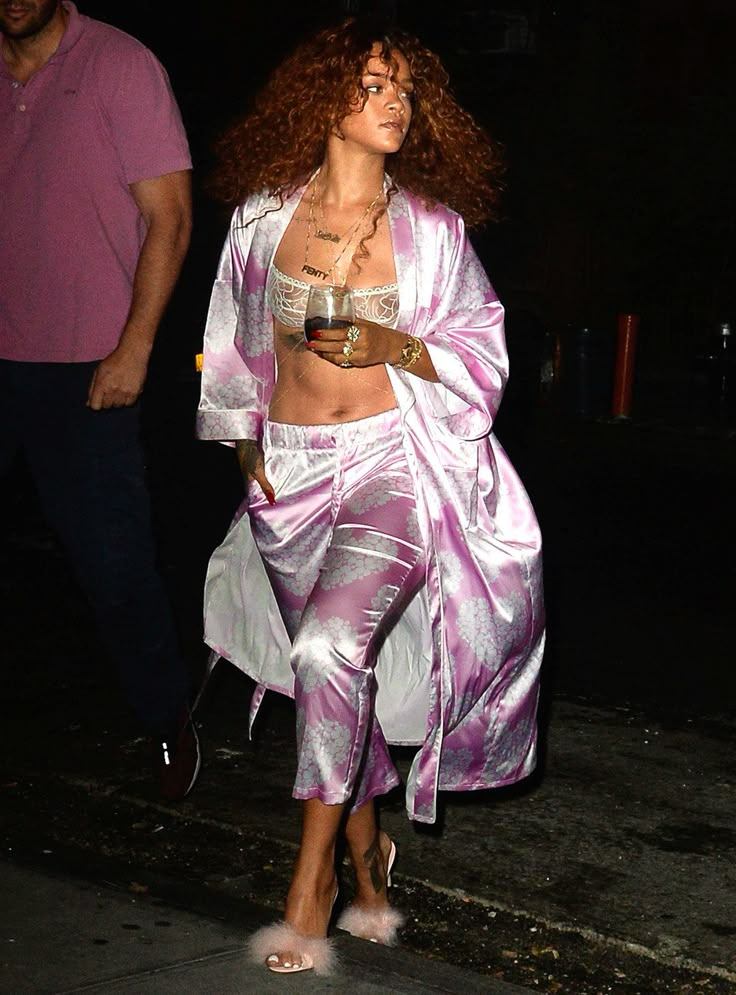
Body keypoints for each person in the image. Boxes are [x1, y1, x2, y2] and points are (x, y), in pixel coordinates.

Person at [196, 15, 545, 975]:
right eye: (375, 86)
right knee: (329, 680)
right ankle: (369, 860)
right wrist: (241, 446)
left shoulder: (432, 229)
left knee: (326, 645)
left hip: (392, 468)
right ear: (324, 100)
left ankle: (305, 889)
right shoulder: (264, 216)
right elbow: (230, 341)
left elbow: (481, 352)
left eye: (405, 90)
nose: (396, 103)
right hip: (289, 480)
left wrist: (396, 346)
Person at [0, 0, 200, 801]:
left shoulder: (120, 64)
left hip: (86, 365)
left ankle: (167, 723)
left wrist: (136, 347)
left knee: (112, 561)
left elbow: (172, 218)